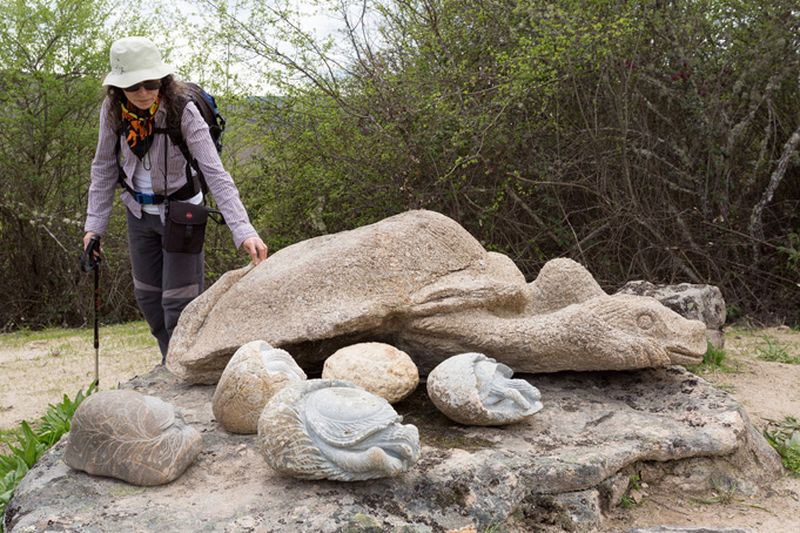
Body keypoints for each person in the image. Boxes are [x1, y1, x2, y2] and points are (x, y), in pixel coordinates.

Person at [83, 36, 268, 362]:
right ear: (118, 89)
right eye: (132, 86)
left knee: (179, 305)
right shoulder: (113, 111)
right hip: (138, 213)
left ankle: (183, 370)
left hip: (183, 213)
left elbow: (215, 173)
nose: (142, 92)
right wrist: (94, 227)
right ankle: (173, 365)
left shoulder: (184, 110)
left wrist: (243, 229)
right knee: (150, 301)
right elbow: (103, 168)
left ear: (163, 80)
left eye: (150, 83)